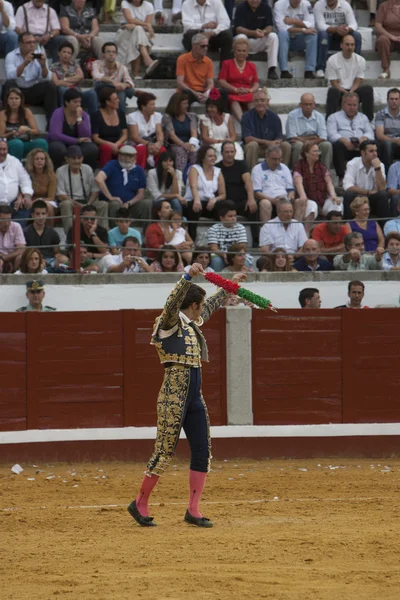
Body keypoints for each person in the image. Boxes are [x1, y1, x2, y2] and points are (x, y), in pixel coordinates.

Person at [127, 264, 245, 528]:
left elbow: (213, 305)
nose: (203, 309)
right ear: (191, 305)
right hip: (173, 395)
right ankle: (139, 502)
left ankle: (193, 509)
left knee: (202, 450)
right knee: (164, 451)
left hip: (194, 396)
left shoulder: (190, 324)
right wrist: (187, 277)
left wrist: (229, 285)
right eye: (199, 305)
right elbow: (172, 303)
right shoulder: (168, 322)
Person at [252, 144, 318, 223]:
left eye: (279, 159)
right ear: (266, 157)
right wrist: (272, 200)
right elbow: (257, 193)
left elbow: (291, 189)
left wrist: (290, 196)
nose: (277, 162)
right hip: (268, 198)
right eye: (274, 159)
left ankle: (295, 230)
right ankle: (266, 231)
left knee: (300, 202)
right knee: (265, 203)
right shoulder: (257, 169)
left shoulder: (284, 168)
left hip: (284, 199)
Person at [4, 32, 58, 127]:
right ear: (20, 44)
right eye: (28, 42)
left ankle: (52, 126)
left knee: (50, 86)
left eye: (34, 42)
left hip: (33, 91)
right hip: (17, 91)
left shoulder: (39, 54)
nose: (32, 45)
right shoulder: (11, 56)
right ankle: (7, 123)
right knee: (9, 84)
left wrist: (43, 66)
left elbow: (47, 77)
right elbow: (10, 76)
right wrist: (24, 64)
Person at [95, 145, 151, 228]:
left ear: (135, 157)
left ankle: (147, 233)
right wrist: (110, 197)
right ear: (119, 155)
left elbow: (141, 194)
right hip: (114, 203)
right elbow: (99, 178)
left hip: (131, 204)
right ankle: (114, 233)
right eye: (125, 156)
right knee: (115, 203)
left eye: (131, 156)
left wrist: (129, 203)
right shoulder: (112, 165)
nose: (128, 159)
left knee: (147, 203)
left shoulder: (139, 170)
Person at [216, 141, 260, 242]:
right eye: (227, 152)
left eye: (232, 152)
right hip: (225, 203)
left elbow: (248, 181)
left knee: (252, 206)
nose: (229, 154)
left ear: (235, 152)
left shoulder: (241, 165)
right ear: (222, 153)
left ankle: (256, 240)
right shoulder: (217, 167)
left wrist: (251, 198)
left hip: (241, 202)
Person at [56, 145, 107, 233]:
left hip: (87, 201)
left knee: (103, 204)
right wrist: (78, 204)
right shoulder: (60, 171)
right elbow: (61, 195)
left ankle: (102, 236)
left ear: (82, 158)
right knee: (65, 204)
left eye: (79, 158)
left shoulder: (87, 168)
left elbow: (95, 191)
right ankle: (70, 236)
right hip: (71, 202)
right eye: (73, 158)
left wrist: (89, 204)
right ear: (67, 159)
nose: (76, 161)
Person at [48, 87, 98, 170]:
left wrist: (79, 119)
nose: (78, 104)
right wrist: (76, 140)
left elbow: (86, 135)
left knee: (92, 149)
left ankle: (86, 174)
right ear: (67, 102)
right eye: (75, 102)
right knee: (57, 149)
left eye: (79, 102)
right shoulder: (58, 113)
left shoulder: (83, 114)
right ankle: (58, 173)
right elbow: (55, 135)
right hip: (60, 142)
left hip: (77, 144)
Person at [327, 92, 374, 181]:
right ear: (342, 104)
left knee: (375, 145)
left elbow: (370, 133)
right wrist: (345, 141)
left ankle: (375, 174)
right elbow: (332, 134)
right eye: (349, 105)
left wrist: (363, 139)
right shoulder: (333, 117)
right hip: (344, 147)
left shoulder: (363, 117)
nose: (352, 108)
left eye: (354, 105)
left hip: (361, 147)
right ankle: (342, 177)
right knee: (337, 145)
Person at [325, 35, 374, 121]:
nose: (350, 47)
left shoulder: (360, 60)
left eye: (352, 45)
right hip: (339, 91)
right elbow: (334, 83)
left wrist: (351, 93)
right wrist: (346, 93)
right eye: (347, 44)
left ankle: (369, 120)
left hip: (353, 90)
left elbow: (358, 80)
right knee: (332, 91)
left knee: (368, 89)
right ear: (341, 45)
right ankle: (329, 120)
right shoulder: (332, 60)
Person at [241, 88, 291, 171]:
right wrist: (267, 142)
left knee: (286, 145)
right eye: (256, 100)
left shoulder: (274, 117)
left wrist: (275, 143)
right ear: (253, 102)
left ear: (267, 102)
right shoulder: (246, 116)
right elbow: (248, 139)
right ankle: (250, 175)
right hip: (255, 148)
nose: (259, 103)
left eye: (262, 100)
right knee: (252, 145)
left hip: (271, 148)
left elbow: (279, 137)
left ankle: (282, 173)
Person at [184, 144, 226, 240]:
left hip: (209, 203)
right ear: (203, 158)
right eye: (210, 156)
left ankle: (217, 238)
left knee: (225, 206)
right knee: (194, 208)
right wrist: (197, 199)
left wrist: (215, 199)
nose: (213, 158)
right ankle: (192, 239)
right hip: (193, 201)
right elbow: (193, 186)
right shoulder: (194, 168)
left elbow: (223, 194)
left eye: (214, 156)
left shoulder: (218, 171)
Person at [342, 140, 391, 221]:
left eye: (376, 151)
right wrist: (367, 192)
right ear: (363, 153)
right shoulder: (352, 164)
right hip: (357, 198)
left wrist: (377, 169)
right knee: (348, 194)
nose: (375, 154)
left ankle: (384, 229)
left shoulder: (380, 165)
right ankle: (348, 227)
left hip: (372, 199)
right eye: (371, 151)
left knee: (383, 195)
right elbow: (347, 186)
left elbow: (382, 188)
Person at [293, 141, 342, 220]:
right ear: (306, 153)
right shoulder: (299, 166)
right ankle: (306, 231)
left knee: (336, 204)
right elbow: (298, 183)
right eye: (315, 151)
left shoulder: (322, 167)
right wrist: (303, 196)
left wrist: (333, 196)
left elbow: (329, 183)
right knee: (312, 205)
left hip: (322, 200)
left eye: (318, 151)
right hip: (307, 200)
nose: (318, 153)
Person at [313, 0, 361, 78]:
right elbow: (320, 25)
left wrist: (347, 29)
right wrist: (336, 29)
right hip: (327, 38)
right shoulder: (319, 5)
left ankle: (356, 68)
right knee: (323, 35)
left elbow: (354, 24)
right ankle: (320, 68)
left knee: (356, 35)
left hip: (342, 37)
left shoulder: (345, 5)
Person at [232, 1, 278, 81]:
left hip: (260, 40)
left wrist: (264, 32)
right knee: (240, 37)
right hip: (245, 41)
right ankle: (239, 68)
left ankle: (272, 69)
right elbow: (238, 29)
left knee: (273, 36)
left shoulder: (266, 8)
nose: (254, 0)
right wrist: (253, 33)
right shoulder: (241, 8)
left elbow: (269, 26)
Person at [218, 37, 259, 124]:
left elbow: (256, 83)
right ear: (234, 51)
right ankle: (243, 123)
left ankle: (256, 124)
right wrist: (235, 89)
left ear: (247, 53)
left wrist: (250, 90)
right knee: (233, 101)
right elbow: (221, 81)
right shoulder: (227, 63)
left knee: (252, 101)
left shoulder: (252, 66)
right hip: (232, 92)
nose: (241, 53)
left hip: (247, 92)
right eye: (239, 50)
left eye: (244, 51)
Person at [50, 40, 98, 114]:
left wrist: (64, 80)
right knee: (62, 89)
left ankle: (95, 121)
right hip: (65, 94)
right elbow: (56, 82)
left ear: (71, 55)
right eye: (64, 52)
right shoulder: (53, 66)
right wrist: (73, 80)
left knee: (92, 93)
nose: (66, 54)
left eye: (69, 53)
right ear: (59, 53)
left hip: (77, 93)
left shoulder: (75, 64)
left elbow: (80, 76)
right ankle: (64, 116)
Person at [0, 87, 48, 160]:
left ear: (21, 100)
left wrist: (27, 130)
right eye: (11, 98)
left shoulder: (26, 112)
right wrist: (11, 133)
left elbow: (37, 131)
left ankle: (42, 169)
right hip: (10, 144)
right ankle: (15, 168)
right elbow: (1, 136)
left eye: (16, 98)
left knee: (42, 142)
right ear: (7, 101)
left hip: (26, 142)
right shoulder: (3, 114)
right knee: (17, 143)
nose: (14, 101)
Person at [285, 93, 332, 168]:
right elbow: (293, 137)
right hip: (299, 142)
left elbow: (323, 137)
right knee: (298, 145)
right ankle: (297, 172)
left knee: (327, 145)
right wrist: (312, 138)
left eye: (310, 104)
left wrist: (310, 141)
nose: (308, 107)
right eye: (305, 104)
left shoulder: (319, 116)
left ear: (314, 104)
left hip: (315, 143)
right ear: (300, 105)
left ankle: (325, 173)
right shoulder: (292, 115)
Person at [274, 0, 318, 79]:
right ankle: (284, 71)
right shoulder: (279, 4)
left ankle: (309, 70)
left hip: (299, 39)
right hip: (284, 40)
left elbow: (311, 24)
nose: (297, 0)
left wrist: (294, 21)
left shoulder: (307, 4)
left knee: (313, 35)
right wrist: (303, 29)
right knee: (282, 34)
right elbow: (282, 28)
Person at [116, 0, 159, 80]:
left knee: (138, 32)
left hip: (140, 33)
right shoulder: (125, 3)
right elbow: (130, 19)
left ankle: (136, 73)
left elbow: (146, 28)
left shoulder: (149, 6)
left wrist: (136, 25)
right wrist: (144, 24)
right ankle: (146, 61)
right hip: (124, 33)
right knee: (138, 32)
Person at [127, 92, 167, 170]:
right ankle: (139, 172)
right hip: (138, 143)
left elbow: (159, 133)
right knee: (142, 149)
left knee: (162, 150)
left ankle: (160, 174)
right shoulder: (132, 116)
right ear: (143, 106)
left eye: (154, 104)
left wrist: (159, 143)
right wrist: (149, 144)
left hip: (153, 142)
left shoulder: (157, 115)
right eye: (152, 104)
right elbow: (134, 137)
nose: (154, 107)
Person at [91, 86, 128, 168]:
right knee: (106, 148)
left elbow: (125, 134)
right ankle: (105, 173)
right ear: (107, 102)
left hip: (117, 144)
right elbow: (95, 138)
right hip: (103, 145)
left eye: (118, 98)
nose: (118, 101)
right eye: (115, 99)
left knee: (124, 149)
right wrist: (111, 145)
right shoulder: (96, 115)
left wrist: (117, 144)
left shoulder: (120, 113)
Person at [162, 92, 199, 173]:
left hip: (189, 143)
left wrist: (192, 144)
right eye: (184, 104)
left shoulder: (191, 116)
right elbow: (172, 135)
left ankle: (194, 175)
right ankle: (179, 176)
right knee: (181, 150)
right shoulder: (167, 117)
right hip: (173, 145)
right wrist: (183, 144)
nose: (187, 106)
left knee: (194, 151)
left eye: (187, 103)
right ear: (176, 105)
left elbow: (194, 133)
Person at [199, 95, 243, 162]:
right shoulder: (205, 118)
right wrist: (220, 141)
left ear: (218, 107)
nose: (209, 109)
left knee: (236, 148)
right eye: (208, 107)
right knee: (221, 150)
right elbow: (205, 138)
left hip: (227, 142)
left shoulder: (227, 117)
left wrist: (228, 143)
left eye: (212, 107)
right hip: (212, 145)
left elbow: (233, 136)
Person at [207, 201, 248, 271]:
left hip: (237, 254)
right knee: (216, 261)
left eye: (235, 216)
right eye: (230, 216)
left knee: (245, 260)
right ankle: (218, 281)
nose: (233, 218)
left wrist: (232, 256)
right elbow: (213, 248)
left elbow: (242, 246)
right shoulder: (213, 228)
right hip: (219, 255)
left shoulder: (241, 228)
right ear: (221, 218)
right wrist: (224, 255)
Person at [92, 42, 135, 108]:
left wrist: (124, 85)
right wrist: (113, 83)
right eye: (108, 52)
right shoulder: (96, 63)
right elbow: (96, 75)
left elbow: (130, 82)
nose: (111, 54)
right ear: (103, 54)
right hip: (101, 93)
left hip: (117, 93)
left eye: (113, 52)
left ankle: (120, 116)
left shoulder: (122, 67)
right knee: (100, 84)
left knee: (123, 92)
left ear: (116, 54)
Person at [0, 138, 33, 225]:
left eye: (4, 149)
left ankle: (17, 235)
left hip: (13, 204)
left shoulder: (14, 161)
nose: (2, 152)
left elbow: (25, 180)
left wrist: (26, 196)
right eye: (0, 149)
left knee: (25, 205)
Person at [176, 33, 214, 107]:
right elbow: (179, 82)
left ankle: (221, 118)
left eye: (207, 46)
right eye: (202, 46)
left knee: (222, 93)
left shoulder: (208, 61)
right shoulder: (182, 59)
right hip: (188, 90)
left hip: (202, 91)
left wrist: (207, 93)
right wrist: (194, 93)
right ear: (194, 46)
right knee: (185, 94)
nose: (205, 48)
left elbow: (210, 83)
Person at [25, 148, 57, 221]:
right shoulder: (26, 174)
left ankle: (49, 231)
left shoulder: (51, 175)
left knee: (48, 206)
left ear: (45, 161)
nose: (39, 161)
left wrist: (37, 201)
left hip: (46, 201)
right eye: (37, 159)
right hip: (30, 201)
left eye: (42, 159)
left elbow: (51, 197)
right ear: (32, 161)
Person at [375, 88, 400, 173]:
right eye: (391, 99)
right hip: (386, 144)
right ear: (387, 100)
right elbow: (379, 135)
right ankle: (388, 174)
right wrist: (395, 141)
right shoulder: (380, 114)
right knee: (387, 144)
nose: (394, 101)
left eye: (396, 99)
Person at [375, 0, 400, 80]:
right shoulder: (384, 6)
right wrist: (391, 36)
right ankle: (386, 70)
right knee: (382, 40)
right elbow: (378, 25)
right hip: (388, 36)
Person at [0, 203, 25, 272]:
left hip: (13, 259)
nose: (7, 223)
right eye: (4, 220)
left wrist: (5, 258)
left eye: (9, 220)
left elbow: (21, 249)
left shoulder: (16, 226)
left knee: (20, 257)